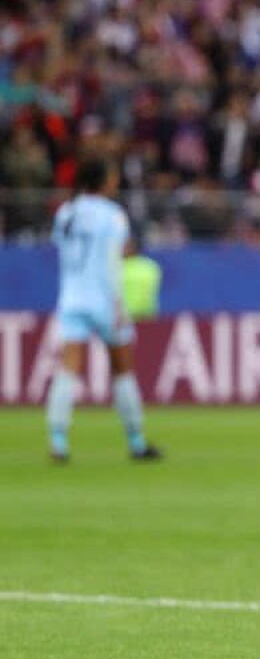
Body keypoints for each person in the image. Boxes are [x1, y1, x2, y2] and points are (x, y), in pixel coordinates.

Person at [46, 156, 161, 464]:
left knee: (68, 367)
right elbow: (113, 262)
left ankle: (58, 440)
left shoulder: (65, 213)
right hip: (103, 299)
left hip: (71, 297)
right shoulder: (112, 215)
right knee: (122, 369)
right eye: (111, 176)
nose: (115, 181)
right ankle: (136, 440)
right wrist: (118, 303)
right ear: (102, 181)